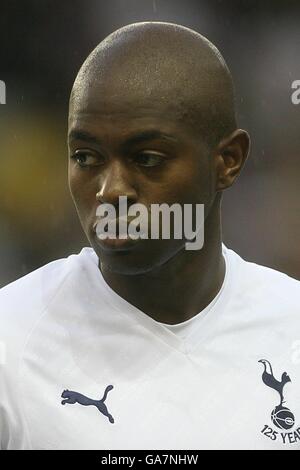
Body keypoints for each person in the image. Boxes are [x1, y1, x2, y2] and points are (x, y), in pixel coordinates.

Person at [0, 21, 299, 451]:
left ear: (228, 161)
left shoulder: (292, 326)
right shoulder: (12, 340)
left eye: (147, 159)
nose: (110, 190)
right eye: (86, 157)